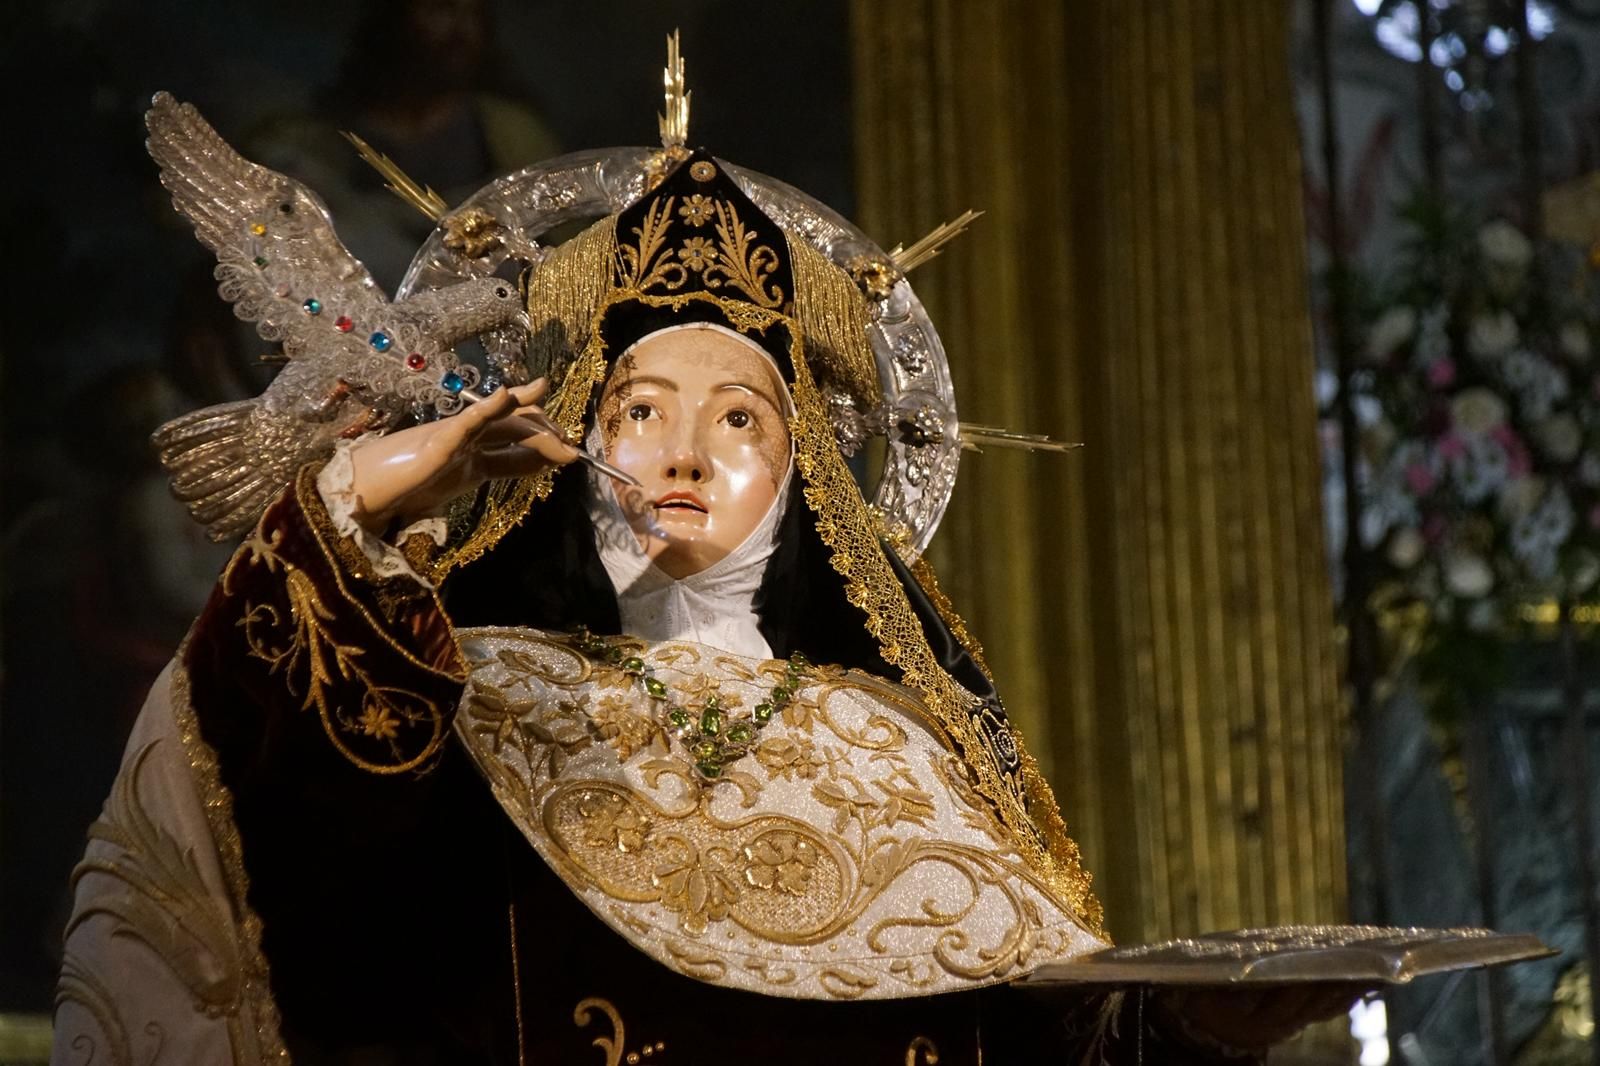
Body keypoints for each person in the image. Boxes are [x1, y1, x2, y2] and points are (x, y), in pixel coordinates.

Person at [54, 126, 1354, 1063]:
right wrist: (358, 504)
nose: (683, 455)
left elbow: (1040, 1044)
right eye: (639, 410)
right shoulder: (469, 698)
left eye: (740, 417)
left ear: (804, 475)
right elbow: (277, 838)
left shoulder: (901, 753)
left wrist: (1189, 1029)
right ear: (576, 435)